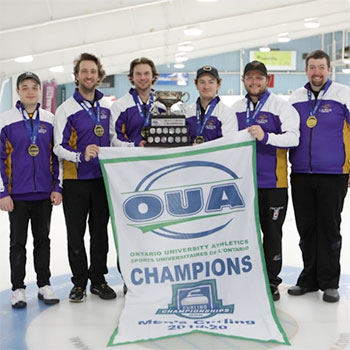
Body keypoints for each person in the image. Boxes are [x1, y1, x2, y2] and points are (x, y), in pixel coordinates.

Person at [54, 53, 129, 302]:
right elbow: (58, 147)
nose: (88, 75)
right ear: (77, 76)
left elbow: (113, 139)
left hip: (101, 180)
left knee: (100, 233)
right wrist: (79, 155)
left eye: (93, 71)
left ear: (99, 75)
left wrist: (136, 148)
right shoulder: (66, 109)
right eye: (84, 71)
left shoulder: (107, 107)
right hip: (75, 180)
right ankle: (78, 283)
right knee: (75, 234)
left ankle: (98, 279)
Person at [231, 61, 300, 301]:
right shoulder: (236, 109)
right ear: (243, 80)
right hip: (244, 184)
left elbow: (294, 138)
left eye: (259, 78)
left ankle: (271, 280)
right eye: (250, 77)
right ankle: (248, 277)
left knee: (272, 233)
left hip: (274, 184)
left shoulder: (281, 106)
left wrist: (266, 136)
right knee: (245, 233)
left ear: (267, 80)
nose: (254, 82)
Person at [287, 50, 350, 303]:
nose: (317, 72)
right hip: (301, 174)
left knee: (330, 229)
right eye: (312, 67)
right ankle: (308, 280)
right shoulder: (295, 97)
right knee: (306, 230)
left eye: (321, 67)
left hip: (333, 174)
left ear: (328, 70)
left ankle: (330, 282)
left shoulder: (343, 94)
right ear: (306, 70)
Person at [0, 72, 62, 308]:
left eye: (34, 87)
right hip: (16, 195)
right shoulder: (5, 120)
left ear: (39, 90)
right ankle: (17, 288)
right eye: (24, 87)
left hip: (44, 194)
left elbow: (57, 157)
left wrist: (57, 186)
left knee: (43, 241)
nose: (29, 91)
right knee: (17, 243)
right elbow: (0, 157)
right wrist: (3, 192)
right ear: (18, 91)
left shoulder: (50, 119)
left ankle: (44, 285)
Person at [110, 57, 165, 146]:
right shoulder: (120, 106)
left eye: (146, 73)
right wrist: (135, 145)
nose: (142, 78)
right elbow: (114, 139)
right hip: (132, 158)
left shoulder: (162, 105)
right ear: (132, 77)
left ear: (153, 77)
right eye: (138, 74)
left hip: (158, 157)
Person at [186, 65, 238, 144]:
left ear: (218, 85)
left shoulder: (227, 113)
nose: (206, 86)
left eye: (211, 82)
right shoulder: (187, 112)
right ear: (196, 85)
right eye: (202, 82)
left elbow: (229, 144)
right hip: (191, 156)